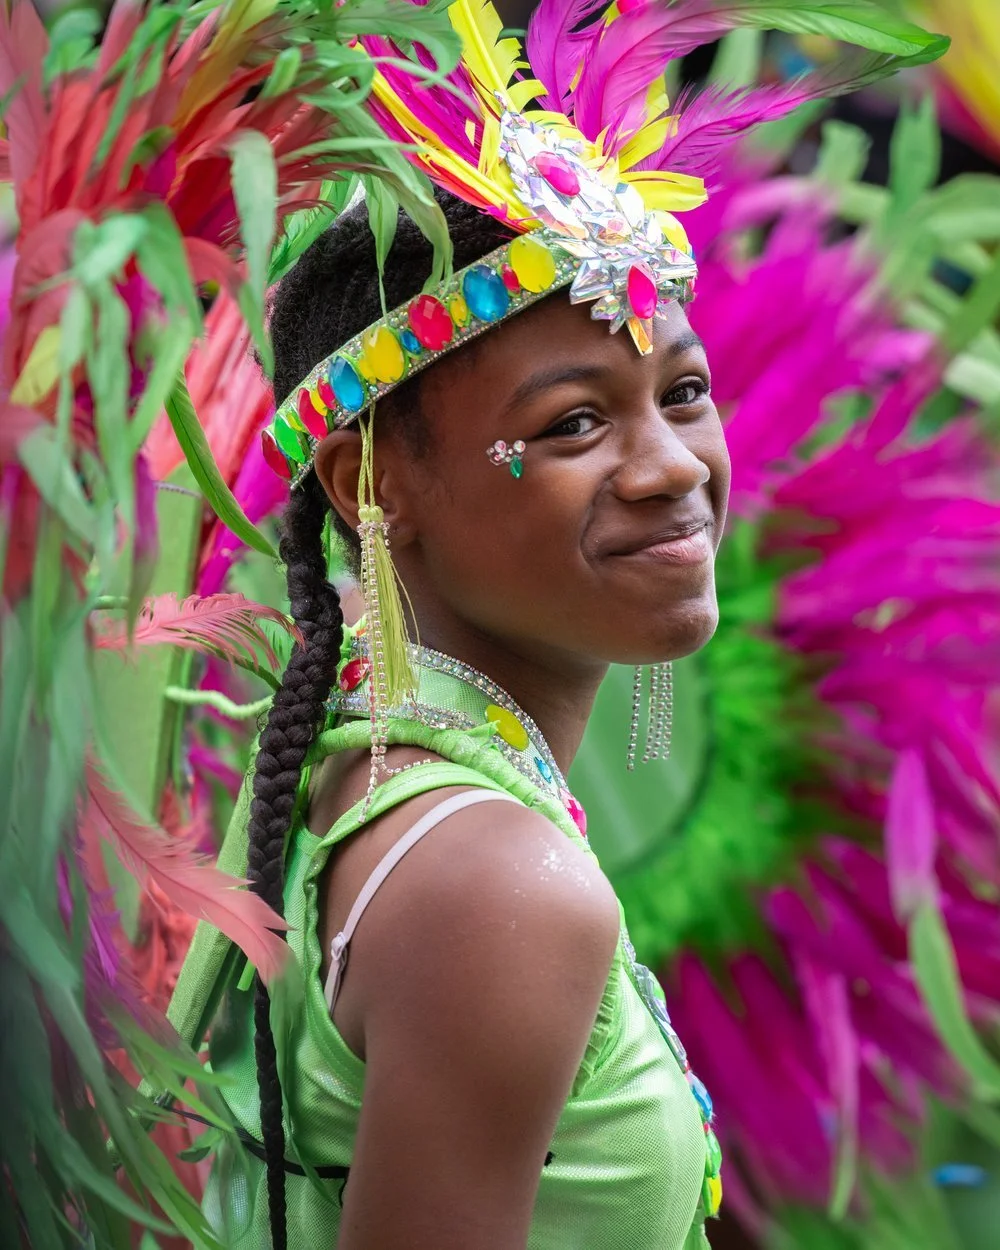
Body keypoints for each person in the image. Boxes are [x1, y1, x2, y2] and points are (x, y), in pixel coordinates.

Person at [171, 3, 945, 1246]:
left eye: (681, 392)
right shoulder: (495, 881)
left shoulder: (366, 765)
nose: (671, 468)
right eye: (573, 424)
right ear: (375, 487)